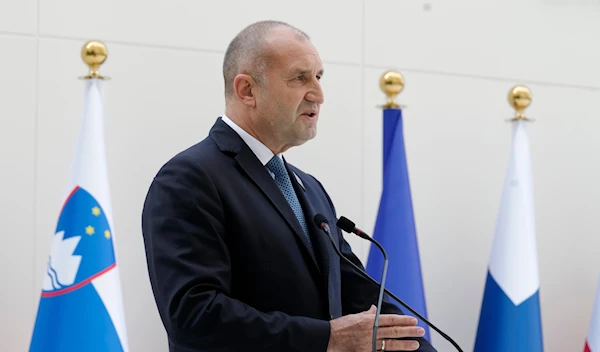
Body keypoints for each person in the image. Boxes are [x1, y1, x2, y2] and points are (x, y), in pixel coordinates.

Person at [141, 20, 437, 352]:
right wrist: (328, 338)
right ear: (247, 91)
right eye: (300, 78)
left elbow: (359, 293)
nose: (319, 94)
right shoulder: (190, 179)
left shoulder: (309, 189)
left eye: (319, 77)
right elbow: (194, 317)